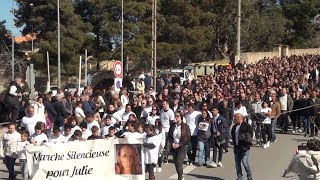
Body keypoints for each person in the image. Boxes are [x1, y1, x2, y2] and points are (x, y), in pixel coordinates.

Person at [168, 110, 191, 180]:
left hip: (182, 147)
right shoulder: (173, 125)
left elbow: (188, 137)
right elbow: (169, 136)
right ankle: (180, 175)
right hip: (174, 146)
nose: (176, 117)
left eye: (177, 116)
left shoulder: (185, 126)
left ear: (181, 117)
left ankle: (180, 178)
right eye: (175, 116)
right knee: (176, 164)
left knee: (179, 162)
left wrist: (179, 144)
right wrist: (172, 143)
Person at [231, 113, 253, 180]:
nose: (234, 120)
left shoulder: (247, 126)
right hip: (237, 147)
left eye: (235, 118)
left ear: (239, 118)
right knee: (237, 164)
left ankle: (249, 176)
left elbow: (250, 135)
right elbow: (233, 135)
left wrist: (244, 140)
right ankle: (239, 177)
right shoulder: (234, 126)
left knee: (245, 162)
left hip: (244, 148)